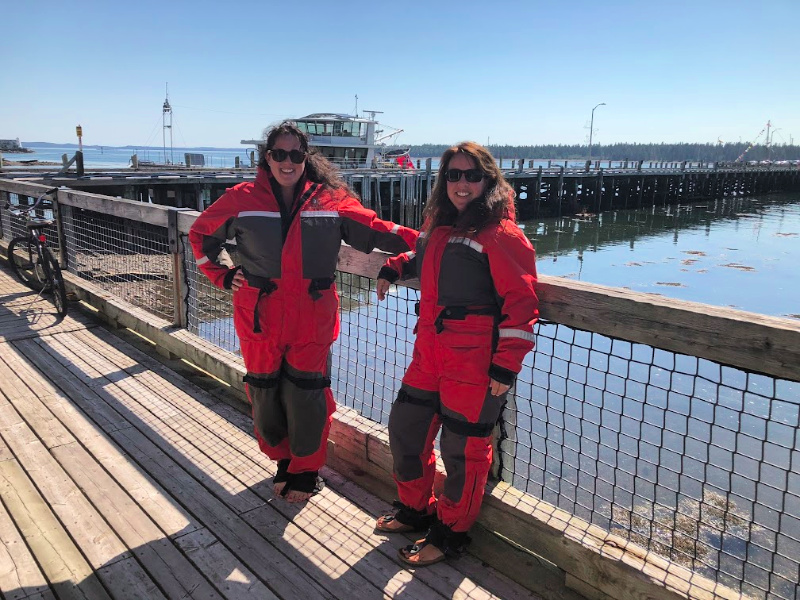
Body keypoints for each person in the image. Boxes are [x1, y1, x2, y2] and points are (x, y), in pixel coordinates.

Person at [189, 122, 418, 503]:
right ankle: (283, 462)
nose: (288, 161)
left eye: (296, 154)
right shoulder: (242, 198)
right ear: (268, 158)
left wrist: (428, 244)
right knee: (264, 391)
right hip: (259, 313)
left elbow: (377, 230)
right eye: (279, 154)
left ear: (306, 158)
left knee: (306, 394)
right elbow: (200, 234)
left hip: (312, 314)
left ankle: (307, 469)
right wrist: (222, 274)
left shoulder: (330, 200)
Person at [374, 142, 538, 565]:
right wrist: (398, 265)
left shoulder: (501, 234)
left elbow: (522, 302)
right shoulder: (440, 224)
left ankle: (449, 534)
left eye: (471, 175)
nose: (461, 184)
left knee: (462, 452)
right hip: (429, 351)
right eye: (453, 175)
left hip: (474, 361)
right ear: (443, 180)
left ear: (488, 181)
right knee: (406, 428)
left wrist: (507, 363)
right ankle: (414, 510)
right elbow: (428, 257)